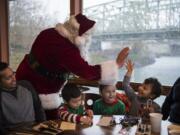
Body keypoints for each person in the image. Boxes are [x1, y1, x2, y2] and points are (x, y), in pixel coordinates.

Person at [15, 13, 129, 119]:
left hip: (24, 77)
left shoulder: (49, 33)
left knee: (25, 114)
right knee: (45, 122)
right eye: (87, 35)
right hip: (40, 88)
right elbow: (86, 71)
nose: (88, 39)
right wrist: (116, 65)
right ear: (80, 36)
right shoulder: (65, 48)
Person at [0, 62, 46, 135]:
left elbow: (38, 108)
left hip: (36, 128)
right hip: (14, 132)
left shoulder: (26, 85)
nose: (14, 79)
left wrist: (43, 125)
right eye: (8, 78)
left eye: (13, 74)